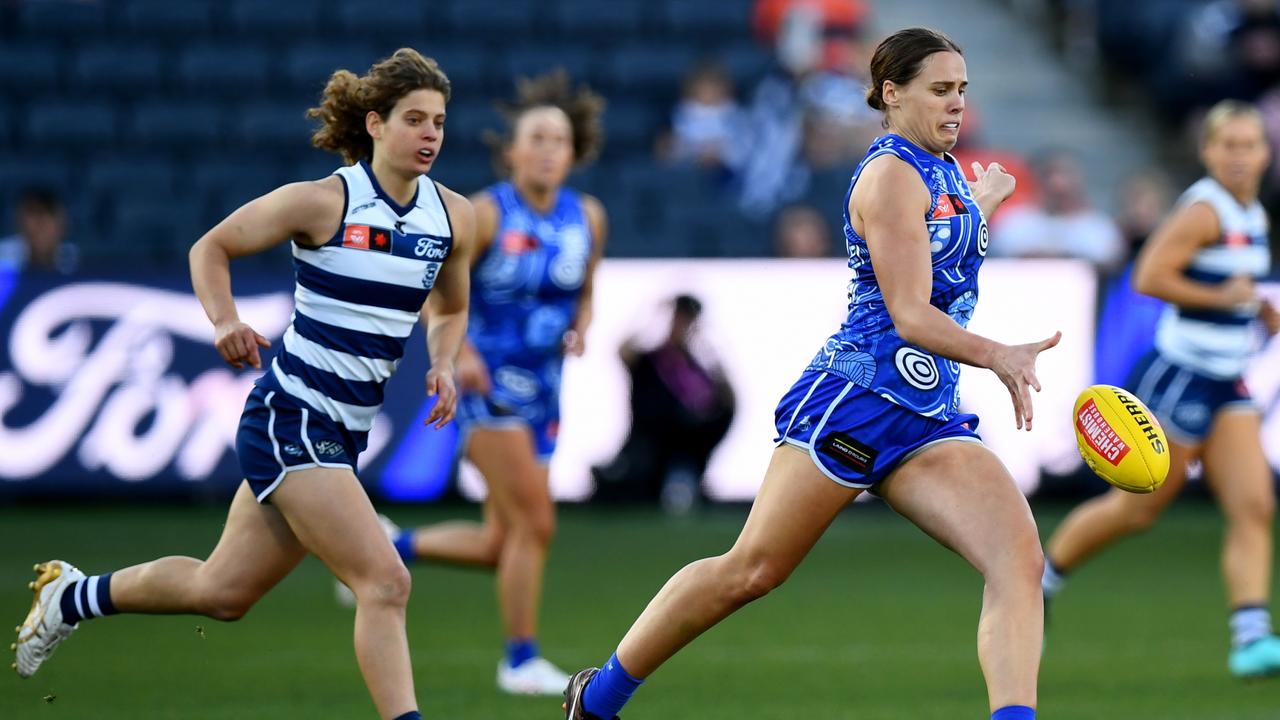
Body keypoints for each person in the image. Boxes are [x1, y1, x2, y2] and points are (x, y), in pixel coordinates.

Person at [564, 27, 1056, 720]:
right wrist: (999, 353)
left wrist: (987, 202)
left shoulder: (944, 170)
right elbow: (911, 313)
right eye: (941, 90)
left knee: (1018, 562)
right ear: (892, 93)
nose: (957, 105)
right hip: (856, 401)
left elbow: (942, 248)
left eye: (963, 91)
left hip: (926, 416)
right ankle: (598, 697)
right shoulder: (890, 175)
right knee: (752, 571)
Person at [12, 48, 475, 720]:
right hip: (292, 421)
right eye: (415, 119)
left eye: (438, 121)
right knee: (385, 581)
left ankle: (71, 597)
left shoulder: (452, 217)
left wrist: (443, 358)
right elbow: (211, 247)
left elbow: (453, 306)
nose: (431, 134)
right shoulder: (321, 202)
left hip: (340, 435)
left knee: (221, 592)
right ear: (375, 124)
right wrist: (225, 319)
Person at [378, 71, 607, 696]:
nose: (547, 149)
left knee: (503, 542)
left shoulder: (588, 215)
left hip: (546, 392)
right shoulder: (482, 213)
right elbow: (434, 291)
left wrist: (582, 324)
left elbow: (584, 287)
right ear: (511, 150)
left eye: (558, 139)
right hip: (485, 388)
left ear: (573, 151)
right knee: (537, 525)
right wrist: (463, 352)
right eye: (535, 137)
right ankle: (520, 660)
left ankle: (385, 546)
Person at [1042, 100, 1280, 679]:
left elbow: (1230, 286)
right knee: (1138, 509)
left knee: (1254, 505)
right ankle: (1039, 580)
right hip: (1181, 374)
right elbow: (1150, 276)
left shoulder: (1252, 214)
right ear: (1208, 151)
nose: (1240, 156)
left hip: (1228, 377)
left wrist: (1257, 310)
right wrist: (1226, 299)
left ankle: (1250, 636)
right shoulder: (1204, 210)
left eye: (1250, 146)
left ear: (1266, 153)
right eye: (1229, 146)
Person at [591, 294, 735, 513]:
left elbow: (728, 402)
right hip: (644, 449)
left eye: (687, 321)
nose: (681, 326)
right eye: (678, 319)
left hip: (683, 453)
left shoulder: (697, 369)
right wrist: (651, 315)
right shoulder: (650, 360)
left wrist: (706, 341)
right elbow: (621, 351)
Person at [0, 186, 78, 274]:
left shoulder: (74, 261)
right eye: (33, 212)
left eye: (49, 213)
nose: (41, 223)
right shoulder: (3, 258)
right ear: (19, 221)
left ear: (63, 223)